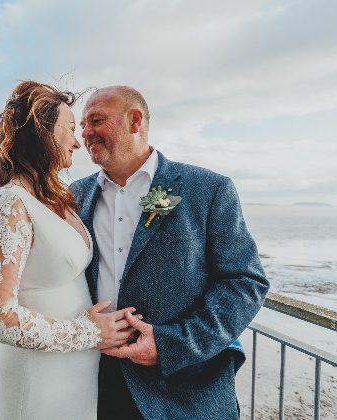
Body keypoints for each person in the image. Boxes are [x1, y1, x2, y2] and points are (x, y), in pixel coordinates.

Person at [71, 86, 270, 419]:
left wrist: (169, 345)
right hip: (95, 381)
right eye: (82, 125)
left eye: (96, 120)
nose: (86, 133)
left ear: (135, 121)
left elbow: (244, 282)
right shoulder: (75, 196)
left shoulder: (208, 189)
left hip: (184, 387)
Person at [0, 81, 137, 420]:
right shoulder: (11, 202)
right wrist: (89, 332)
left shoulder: (52, 198)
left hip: (73, 378)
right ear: (41, 133)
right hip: (35, 380)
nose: (79, 141)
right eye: (71, 129)